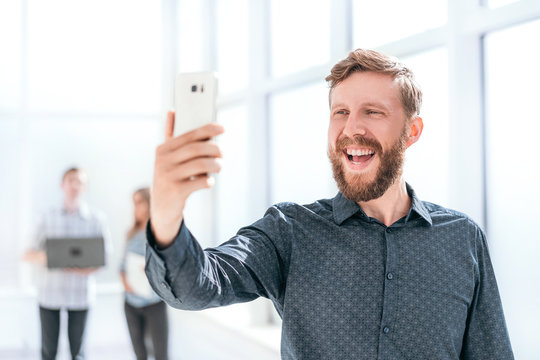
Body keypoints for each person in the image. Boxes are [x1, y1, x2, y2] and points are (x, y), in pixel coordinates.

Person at [144, 49, 514, 359]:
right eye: (340, 112)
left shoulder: (462, 239)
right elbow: (196, 287)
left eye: (373, 112)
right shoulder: (289, 230)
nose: (352, 128)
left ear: (412, 131)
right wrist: (166, 211)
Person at [22, 167, 111, 360]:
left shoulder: (97, 220)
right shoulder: (46, 217)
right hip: (49, 294)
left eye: (79, 181)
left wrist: (89, 268)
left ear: (85, 187)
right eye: (71, 180)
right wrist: (50, 256)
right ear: (62, 185)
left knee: (78, 353)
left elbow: (105, 258)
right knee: (48, 352)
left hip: (81, 295)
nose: (75, 185)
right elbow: (27, 254)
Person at [120, 187, 169, 360]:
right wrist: (125, 280)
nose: (136, 208)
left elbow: (168, 266)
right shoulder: (130, 233)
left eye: (140, 202)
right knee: (139, 354)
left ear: (150, 203)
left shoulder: (160, 233)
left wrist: (150, 268)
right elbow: (122, 265)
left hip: (153, 303)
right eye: (134, 203)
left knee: (160, 354)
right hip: (131, 303)